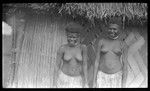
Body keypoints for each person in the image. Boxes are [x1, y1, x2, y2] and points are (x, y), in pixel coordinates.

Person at [53, 23, 88, 88]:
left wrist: (86, 82)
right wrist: (54, 84)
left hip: (77, 79)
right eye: (69, 37)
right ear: (67, 36)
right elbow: (57, 66)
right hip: (64, 79)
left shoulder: (83, 48)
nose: (71, 39)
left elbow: (85, 65)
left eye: (74, 37)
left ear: (78, 36)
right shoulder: (62, 48)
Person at [93, 23, 128, 88]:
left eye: (114, 29)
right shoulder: (101, 42)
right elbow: (96, 61)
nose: (112, 31)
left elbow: (125, 65)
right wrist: (94, 82)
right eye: (110, 29)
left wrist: (123, 84)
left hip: (117, 76)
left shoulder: (122, 44)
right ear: (107, 29)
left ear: (119, 30)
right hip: (102, 76)